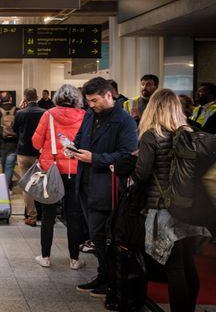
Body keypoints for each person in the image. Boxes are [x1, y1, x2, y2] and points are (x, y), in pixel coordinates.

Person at [132, 89, 210, 312]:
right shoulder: (190, 132)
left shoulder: (152, 135)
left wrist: (130, 166)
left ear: (153, 108)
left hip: (165, 208)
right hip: (191, 207)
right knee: (188, 264)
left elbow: (142, 174)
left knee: (174, 268)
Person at [73, 77, 137, 297]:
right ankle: (104, 275)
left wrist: (95, 158)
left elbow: (127, 155)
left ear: (109, 95)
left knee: (102, 235)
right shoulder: (91, 114)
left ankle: (110, 279)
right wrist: (71, 149)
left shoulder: (125, 120)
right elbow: (80, 137)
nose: (91, 105)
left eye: (94, 100)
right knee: (94, 234)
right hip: (85, 182)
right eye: (88, 101)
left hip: (107, 186)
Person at [31, 84, 86, 270]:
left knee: (48, 215)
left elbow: (36, 141)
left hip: (51, 169)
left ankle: (45, 257)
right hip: (75, 170)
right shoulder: (84, 115)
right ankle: (74, 259)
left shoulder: (49, 114)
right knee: (73, 215)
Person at [13, 88, 45, 226]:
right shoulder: (45, 113)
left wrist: (21, 108)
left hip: (24, 152)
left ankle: (31, 216)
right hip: (40, 153)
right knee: (41, 183)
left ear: (25, 98)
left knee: (27, 184)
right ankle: (44, 214)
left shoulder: (20, 113)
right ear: (37, 97)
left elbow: (14, 129)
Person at [0, 91, 18, 191]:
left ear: (0, 100)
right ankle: (7, 186)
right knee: (9, 166)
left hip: (2, 143)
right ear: (10, 99)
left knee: (4, 166)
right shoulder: (17, 111)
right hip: (14, 143)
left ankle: (6, 186)